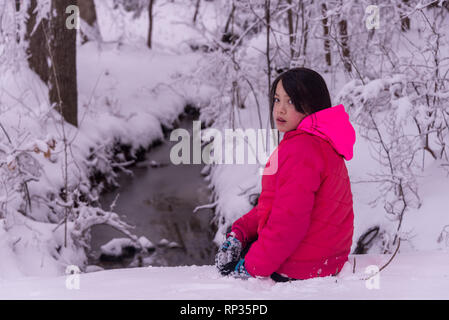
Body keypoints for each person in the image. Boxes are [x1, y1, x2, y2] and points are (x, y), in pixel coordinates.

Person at [215, 67, 356, 282]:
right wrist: (241, 231)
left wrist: (251, 268)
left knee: (231, 268)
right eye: (277, 99)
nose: (280, 109)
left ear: (312, 105)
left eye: (290, 102)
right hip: (326, 260)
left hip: (302, 267)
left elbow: (288, 224)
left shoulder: (302, 149)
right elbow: (280, 204)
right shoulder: (321, 141)